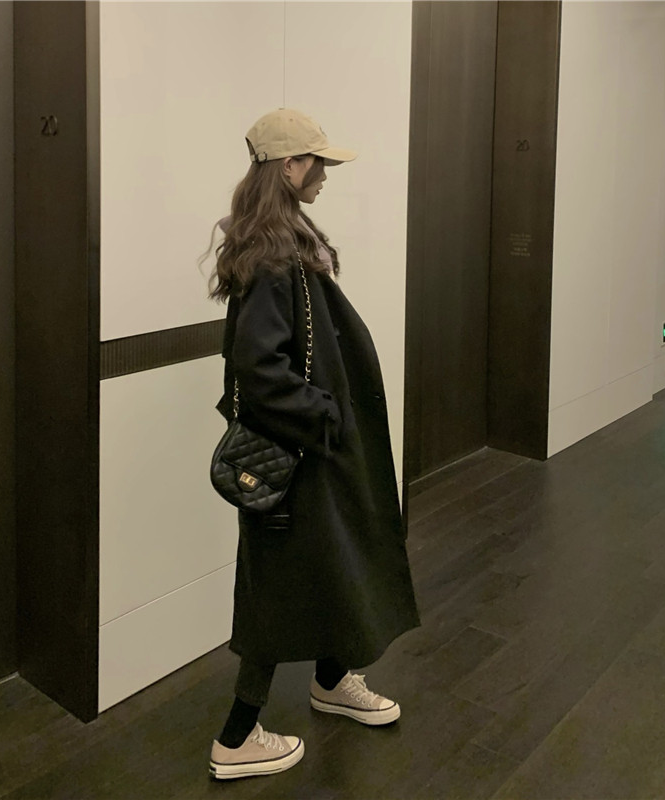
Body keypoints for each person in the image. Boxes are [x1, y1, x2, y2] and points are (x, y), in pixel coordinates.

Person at [204, 108, 420, 781]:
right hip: (300, 452)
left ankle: (331, 679)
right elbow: (259, 370)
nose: (325, 174)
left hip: (313, 450)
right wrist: (326, 414)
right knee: (276, 590)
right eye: (318, 162)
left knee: (335, 559)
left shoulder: (280, 241)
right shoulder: (275, 256)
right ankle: (237, 737)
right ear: (290, 166)